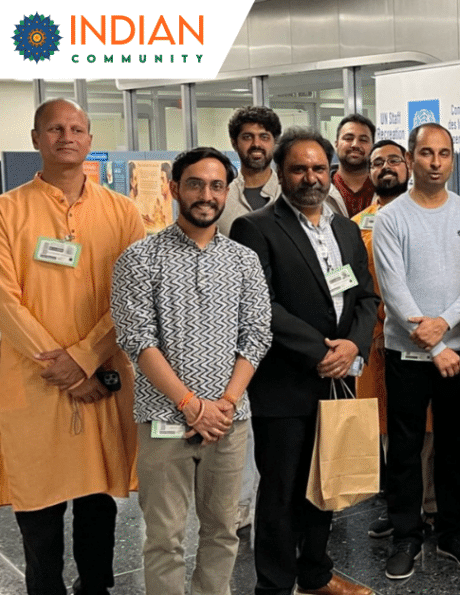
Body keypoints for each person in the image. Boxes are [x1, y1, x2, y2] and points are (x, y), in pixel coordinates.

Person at [111, 147, 272, 594]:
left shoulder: (244, 260)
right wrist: (190, 405)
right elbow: (137, 339)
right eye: (196, 184)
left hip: (229, 422)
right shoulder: (140, 259)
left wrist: (223, 404)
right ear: (173, 188)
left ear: (227, 192)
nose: (206, 194)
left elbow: (257, 335)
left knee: (223, 530)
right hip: (164, 419)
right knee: (164, 537)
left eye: (216, 185)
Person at [0, 98, 144, 595]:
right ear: (36, 138)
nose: (67, 136)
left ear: (89, 140)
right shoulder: (6, 211)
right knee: (38, 509)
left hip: (101, 376)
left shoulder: (123, 213)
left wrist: (84, 359)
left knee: (97, 502)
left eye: (77, 128)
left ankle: (96, 586)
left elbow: (132, 297)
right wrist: (61, 365)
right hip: (33, 384)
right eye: (55, 128)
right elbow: (4, 299)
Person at [230, 127, 377, 595]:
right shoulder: (255, 227)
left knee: (325, 484)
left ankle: (315, 575)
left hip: (338, 381)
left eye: (318, 168)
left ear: (330, 172)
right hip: (284, 385)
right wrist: (322, 352)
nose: (310, 177)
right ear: (279, 173)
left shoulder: (345, 229)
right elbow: (261, 304)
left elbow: (367, 298)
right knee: (278, 494)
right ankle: (273, 586)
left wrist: (353, 346)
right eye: (299, 168)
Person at [373, 123, 460, 580]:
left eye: (444, 153)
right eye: (426, 153)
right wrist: (433, 341)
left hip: (459, 350)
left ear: (451, 159)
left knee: (455, 446)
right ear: (409, 157)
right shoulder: (391, 217)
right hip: (408, 354)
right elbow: (393, 288)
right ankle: (406, 537)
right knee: (403, 448)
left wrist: (445, 328)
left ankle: (453, 532)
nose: (435, 162)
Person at [351, 139, 439, 538]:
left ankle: (432, 505)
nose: (385, 168)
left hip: (422, 337)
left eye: (393, 160)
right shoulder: (355, 227)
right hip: (373, 341)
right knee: (386, 428)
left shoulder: (430, 214)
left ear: (408, 165)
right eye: (376, 163)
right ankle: (399, 503)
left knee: (427, 426)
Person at [220, 105, 348, 239]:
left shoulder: (308, 190)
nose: (256, 144)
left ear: (275, 142)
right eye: (247, 137)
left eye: (264, 137)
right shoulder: (220, 197)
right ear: (234, 143)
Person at [333, 113, 376, 216]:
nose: (355, 144)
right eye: (348, 138)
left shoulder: (388, 190)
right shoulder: (320, 189)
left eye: (363, 140)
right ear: (336, 144)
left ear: (373, 146)